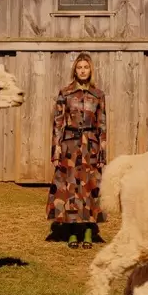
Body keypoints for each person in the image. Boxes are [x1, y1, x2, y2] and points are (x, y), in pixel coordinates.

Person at [46, 52, 107, 249]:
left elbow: (102, 125)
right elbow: (57, 123)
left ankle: (88, 231)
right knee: (71, 188)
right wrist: (55, 150)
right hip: (70, 145)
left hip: (91, 145)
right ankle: (72, 233)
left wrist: (102, 153)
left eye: (86, 67)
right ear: (75, 70)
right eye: (79, 67)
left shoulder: (98, 95)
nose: (82, 71)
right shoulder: (65, 93)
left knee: (90, 187)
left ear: (90, 70)